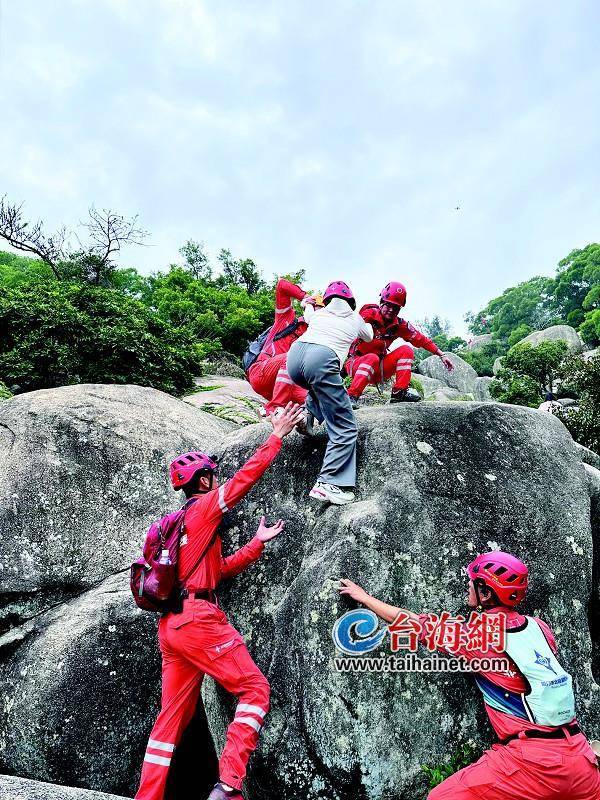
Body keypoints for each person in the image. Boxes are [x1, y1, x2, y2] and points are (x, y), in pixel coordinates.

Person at [135, 402, 305, 800]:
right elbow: (245, 480)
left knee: (169, 721)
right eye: (213, 476)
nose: (218, 481)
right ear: (205, 481)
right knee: (255, 690)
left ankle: (148, 796)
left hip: (171, 627)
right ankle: (228, 786)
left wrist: (255, 545)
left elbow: (218, 570)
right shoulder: (204, 509)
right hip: (199, 620)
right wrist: (276, 435)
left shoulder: (178, 528)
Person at [338, 552, 600, 800]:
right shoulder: (539, 628)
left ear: (486, 592)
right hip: (581, 759)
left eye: (473, 583)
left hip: (533, 762)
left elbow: (414, 623)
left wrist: (365, 598)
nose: (468, 587)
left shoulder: (476, 637)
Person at [286, 281, 373, 506]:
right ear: (350, 302)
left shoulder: (320, 314)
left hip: (295, 358)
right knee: (345, 427)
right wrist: (368, 319)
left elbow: (308, 313)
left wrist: (307, 304)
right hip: (322, 359)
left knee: (318, 387)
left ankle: (307, 415)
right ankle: (329, 483)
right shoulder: (355, 318)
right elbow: (369, 337)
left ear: (327, 300)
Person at [345, 281, 454, 407]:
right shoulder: (368, 313)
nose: (391, 310)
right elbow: (349, 327)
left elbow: (421, 339)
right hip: (356, 363)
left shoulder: (399, 325)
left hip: (378, 368)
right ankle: (351, 396)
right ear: (382, 302)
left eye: (396, 308)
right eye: (389, 305)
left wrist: (441, 355)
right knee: (372, 357)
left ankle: (399, 392)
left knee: (406, 350)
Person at [246, 277, 316, 415]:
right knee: (293, 358)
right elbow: (281, 285)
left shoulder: (317, 337)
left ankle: (300, 421)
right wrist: (305, 296)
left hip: (283, 385)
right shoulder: (288, 320)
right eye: (317, 308)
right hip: (262, 371)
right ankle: (273, 408)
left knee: (316, 399)